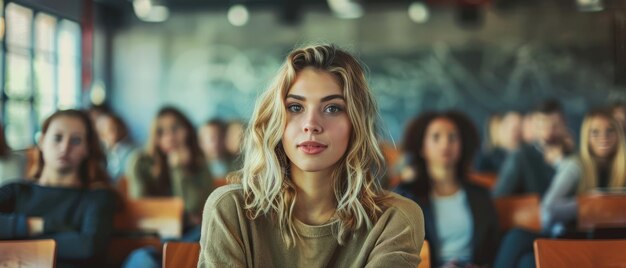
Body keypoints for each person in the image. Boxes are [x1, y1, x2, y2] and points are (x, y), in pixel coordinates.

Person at [198, 44, 425, 267]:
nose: (311, 125)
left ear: (356, 123)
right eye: (295, 107)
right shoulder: (230, 209)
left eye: (332, 108)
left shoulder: (396, 218)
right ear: (276, 120)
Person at [494, 109, 626, 268]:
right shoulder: (575, 166)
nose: (603, 137)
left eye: (610, 130)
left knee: (522, 250)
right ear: (586, 137)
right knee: (526, 258)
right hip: (577, 241)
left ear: (619, 134)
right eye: (595, 132)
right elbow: (548, 209)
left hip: (616, 245)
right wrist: (589, 206)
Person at [0, 109, 116, 268]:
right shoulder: (16, 191)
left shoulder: (98, 197)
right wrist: (34, 225)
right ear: (41, 141)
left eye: (76, 140)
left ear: (87, 148)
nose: (65, 147)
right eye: (57, 138)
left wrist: (12, 238)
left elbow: (87, 247)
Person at [395, 111, 499, 267]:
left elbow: (493, 247)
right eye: (436, 137)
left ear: (462, 145)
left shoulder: (480, 194)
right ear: (422, 147)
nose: (445, 144)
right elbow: (398, 252)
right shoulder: (406, 195)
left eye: (452, 137)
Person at [126, 106, 212, 228]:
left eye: (175, 129)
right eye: (161, 132)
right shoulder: (140, 161)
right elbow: (141, 209)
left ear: (187, 130)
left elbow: (192, 209)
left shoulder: (198, 161)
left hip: (190, 232)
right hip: (152, 232)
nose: (169, 137)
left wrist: (179, 169)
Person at [493, 99, 573, 198]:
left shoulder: (574, 157)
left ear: (564, 124)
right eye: (543, 124)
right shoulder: (521, 157)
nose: (549, 131)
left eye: (555, 125)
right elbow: (498, 199)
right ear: (534, 126)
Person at [95, 111, 136, 184]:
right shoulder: (106, 153)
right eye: (110, 129)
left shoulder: (130, 152)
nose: (116, 131)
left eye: (116, 127)